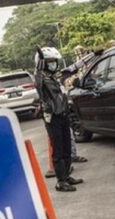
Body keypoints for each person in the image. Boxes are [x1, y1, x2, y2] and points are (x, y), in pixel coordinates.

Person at [35, 46, 84, 193]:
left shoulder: (54, 77)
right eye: (50, 62)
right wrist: (41, 59)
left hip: (63, 115)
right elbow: (39, 80)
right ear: (42, 63)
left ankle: (67, 175)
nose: (53, 64)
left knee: (66, 147)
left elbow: (69, 71)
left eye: (54, 61)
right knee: (58, 149)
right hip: (53, 118)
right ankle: (60, 181)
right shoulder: (40, 78)